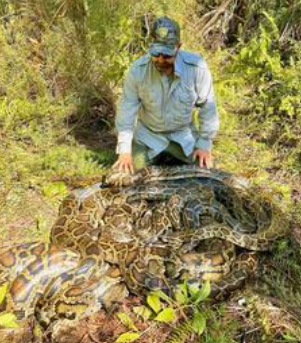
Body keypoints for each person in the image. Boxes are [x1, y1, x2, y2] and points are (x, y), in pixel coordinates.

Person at [113, 16, 219, 174]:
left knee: (204, 173)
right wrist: (124, 151)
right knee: (126, 175)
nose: (160, 60)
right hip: (148, 136)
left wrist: (204, 144)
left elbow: (207, 108)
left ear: (178, 46)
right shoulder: (137, 71)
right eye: (156, 53)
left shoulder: (197, 68)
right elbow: (126, 112)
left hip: (183, 137)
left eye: (167, 55)